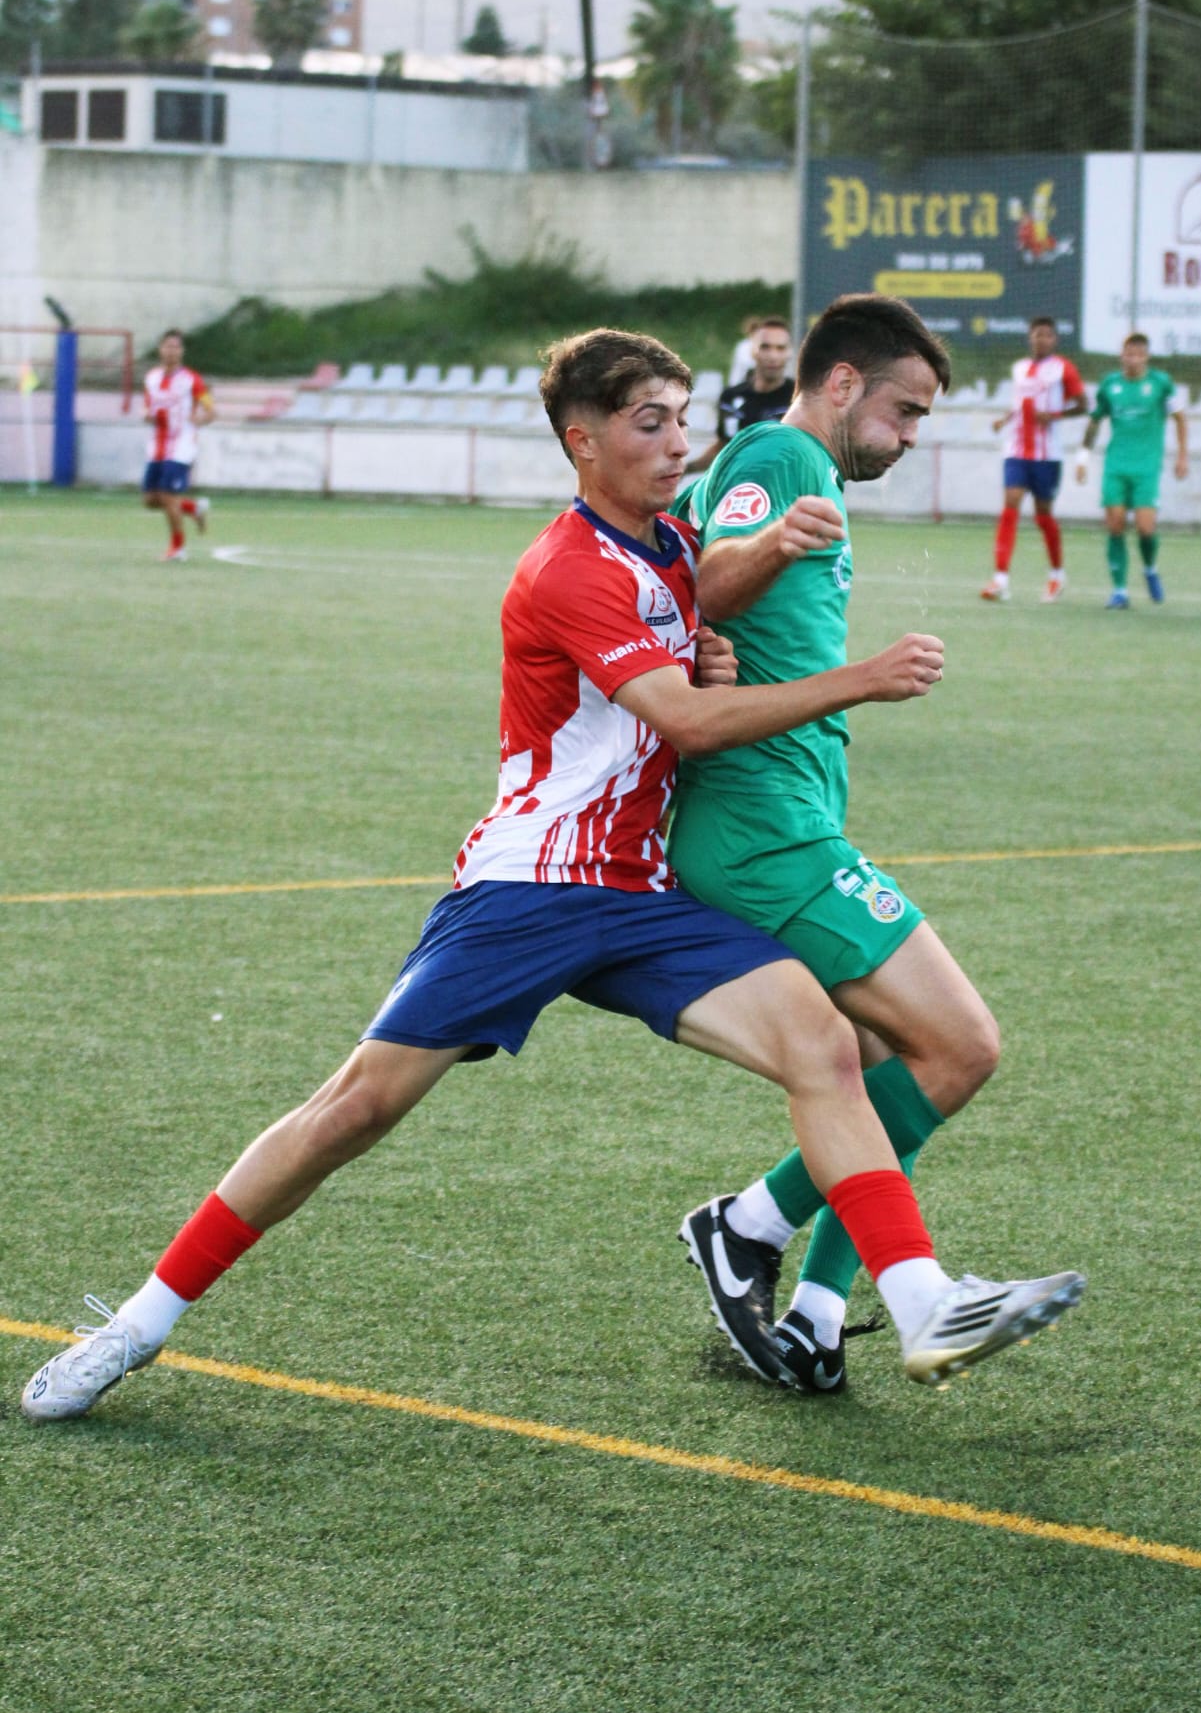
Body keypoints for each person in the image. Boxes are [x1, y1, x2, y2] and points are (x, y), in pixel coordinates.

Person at [21, 327, 1075, 1427]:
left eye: (681, 418)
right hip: (528, 891)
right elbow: (686, 716)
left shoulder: (671, 544)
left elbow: (704, 627)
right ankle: (138, 1320)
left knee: (826, 1045)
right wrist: (856, 677)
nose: (680, 444)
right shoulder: (566, 566)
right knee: (354, 1109)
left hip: (643, 893)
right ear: (583, 440)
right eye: (648, 423)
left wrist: (720, 627)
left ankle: (921, 1303)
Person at [670, 294, 1084, 1394]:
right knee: (962, 1045)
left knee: (887, 1064)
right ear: (842, 382)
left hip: (791, 820)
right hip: (762, 833)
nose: (908, 437)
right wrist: (763, 543)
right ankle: (746, 1225)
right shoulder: (779, 453)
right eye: (903, 411)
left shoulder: (801, 471)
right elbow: (691, 588)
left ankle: (811, 1310)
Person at [1076, 333, 1189, 608]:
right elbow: (1094, 422)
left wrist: (1182, 456)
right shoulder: (1110, 385)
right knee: (1114, 523)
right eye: (1129, 353)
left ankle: (1150, 568)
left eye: (1139, 354)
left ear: (1146, 356)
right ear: (1121, 355)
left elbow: (1180, 418)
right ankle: (1120, 590)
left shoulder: (1160, 384)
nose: (1133, 359)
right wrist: (1082, 457)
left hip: (1147, 467)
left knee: (1145, 527)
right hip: (1116, 464)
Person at [980, 316, 1086, 603]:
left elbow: (1083, 405)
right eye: (1037, 334)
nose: (1041, 339)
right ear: (1030, 338)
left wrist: (1053, 416)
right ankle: (1000, 579)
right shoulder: (1020, 369)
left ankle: (1057, 574)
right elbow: (1020, 404)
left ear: (1055, 339)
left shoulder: (1063, 368)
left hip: (1047, 455)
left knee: (1043, 515)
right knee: (1010, 503)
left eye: (1047, 335)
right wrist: (1004, 420)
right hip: (1016, 450)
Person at [141, 329, 213, 561]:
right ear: (160, 349)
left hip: (181, 445)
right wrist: (147, 416)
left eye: (175, 347)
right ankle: (193, 508)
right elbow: (148, 407)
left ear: (181, 351)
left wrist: (199, 420)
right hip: (157, 445)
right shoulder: (151, 378)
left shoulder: (192, 379)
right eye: (167, 346)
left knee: (167, 495)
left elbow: (212, 411)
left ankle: (178, 548)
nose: (171, 351)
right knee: (150, 500)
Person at [690, 315, 794, 474]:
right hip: (736, 488)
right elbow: (722, 447)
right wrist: (684, 470)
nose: (773, 356)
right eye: (765, 347)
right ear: (752, 350)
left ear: (789, 352)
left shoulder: (799, 398)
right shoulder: (730, 397)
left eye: (780, 348)